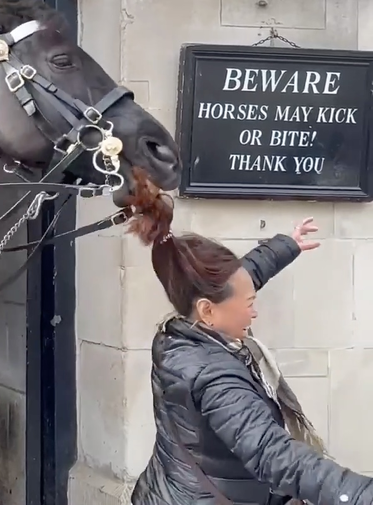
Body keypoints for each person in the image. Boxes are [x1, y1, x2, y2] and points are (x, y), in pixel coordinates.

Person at [126, 172, 373, 505]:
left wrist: (286, 245)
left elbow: (242, 278)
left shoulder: (180, 331)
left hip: (170, 491)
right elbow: (273, 454)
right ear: (208, 311)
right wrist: (358, 494)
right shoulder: (214, 377)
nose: (253, 313)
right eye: (249, 304)